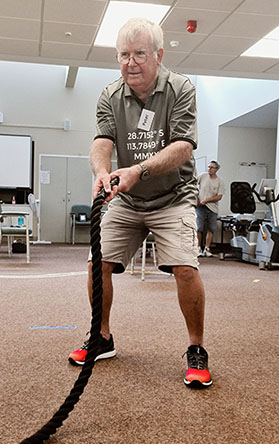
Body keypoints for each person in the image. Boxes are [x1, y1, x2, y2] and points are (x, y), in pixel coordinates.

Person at [68, 18, 212, 388]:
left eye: (140, 54)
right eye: (123, 55)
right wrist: (102, 171)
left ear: (159, 55)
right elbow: (103, 140)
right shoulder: (110, 95)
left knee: (185, 268)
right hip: (128, 199)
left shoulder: (181, 89)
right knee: (96, 262)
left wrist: (138, 170)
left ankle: (196, 347)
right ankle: (102, 337)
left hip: (173, 197)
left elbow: (183, 147)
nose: (131, 63)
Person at [196, 161, 225, 257]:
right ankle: (198, 248)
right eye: (209, 167)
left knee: (211, 229)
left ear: (217, 169)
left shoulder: (220, 181)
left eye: (212, 167)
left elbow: (219, 196)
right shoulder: (203, 176)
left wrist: (207, 200)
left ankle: (207, 249)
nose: (210, 169)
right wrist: (197, 198)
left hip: (213, 208)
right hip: (201, 206)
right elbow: (193, 185)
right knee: (199, 227)